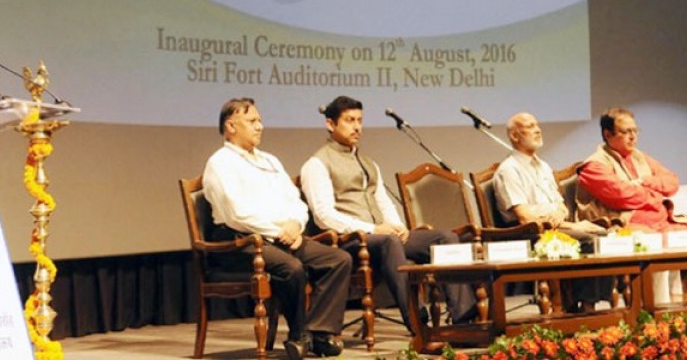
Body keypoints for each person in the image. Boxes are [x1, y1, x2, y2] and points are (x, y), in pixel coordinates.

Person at [299, 95, 476, 334]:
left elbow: (382, 200)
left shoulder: (368, 163)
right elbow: (324, 216)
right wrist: (373, 229)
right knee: (388, 241)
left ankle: (464, 320)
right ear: (331, 124)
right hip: (348, 242)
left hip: (381, 237)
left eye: (360, 120)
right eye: (349, 120)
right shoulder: (317, 164)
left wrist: (397, 225)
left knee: (445, 238)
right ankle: (418, 323)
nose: (357, 127)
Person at [203, 97, 350, 360]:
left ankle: (319, 332)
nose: (260, 126)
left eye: (259, 120)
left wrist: (295, 224)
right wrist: (278, 232)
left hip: (283, 236)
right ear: (231, 126)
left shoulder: (270, 160)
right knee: (291, 268)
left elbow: (295, 200)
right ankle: (299, 335)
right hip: (240, 240)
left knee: (338, 259)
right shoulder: (220, 163)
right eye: (252, 121)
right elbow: (238, 214)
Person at [492, 112, 610, 311]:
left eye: (537, 125)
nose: (538, 130)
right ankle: (585, 308)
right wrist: (571, 225)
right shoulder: (509, 170)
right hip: (528, 234)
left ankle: (588, 303)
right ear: (515, 136)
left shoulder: (543, 166)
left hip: (555, 228)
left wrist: (561, 216)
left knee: (604, 235)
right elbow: (524, 217)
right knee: (587, 239)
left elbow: (561, 205)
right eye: (530, 126)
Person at [576, 108, 687, 233]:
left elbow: (672, 182)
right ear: (607, 134)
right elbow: (623, 195)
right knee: (655, 240)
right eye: (626, 132)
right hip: (625, 227)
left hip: (661, 223)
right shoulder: (594, 166)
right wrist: (656, 196)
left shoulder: (639, 157)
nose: (633, 137)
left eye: (635, 131)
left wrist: (644, 181)